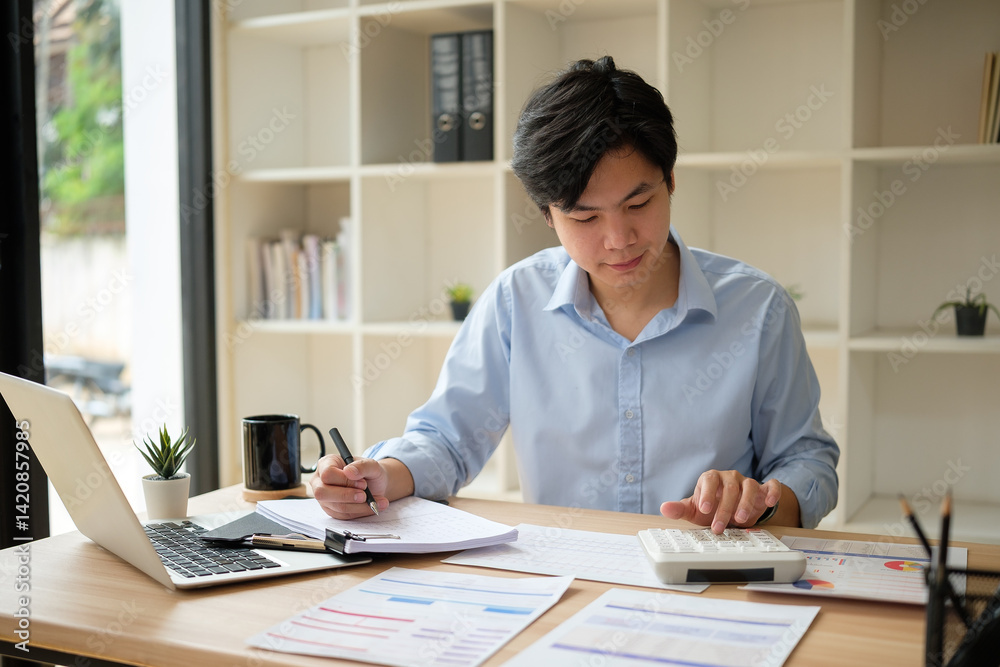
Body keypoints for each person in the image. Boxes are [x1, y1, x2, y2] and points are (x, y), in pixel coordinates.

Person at [311, 56, 839, 532]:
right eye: (585, 216)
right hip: (567, 585)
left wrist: (762, 503)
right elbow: (447, 442)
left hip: (709, 581)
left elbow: (808, 463)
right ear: (547, 214)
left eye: (638, 204)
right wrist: (380, 475)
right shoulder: (516, 301)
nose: (620, 240)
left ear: (671, 181)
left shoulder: (758, 309)